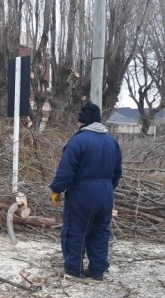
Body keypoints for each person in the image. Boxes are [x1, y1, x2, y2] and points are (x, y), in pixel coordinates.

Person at [49, 102, 122, 281]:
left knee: (76, 231)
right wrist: (107, 189)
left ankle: (73, 270)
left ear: (83, 121)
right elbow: (117, 172)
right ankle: (98, 271)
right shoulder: (112, 142)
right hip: (106, 194)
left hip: (82, 193)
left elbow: (66, 170)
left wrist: (57, 189)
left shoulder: (78, 140)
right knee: (100, 232)